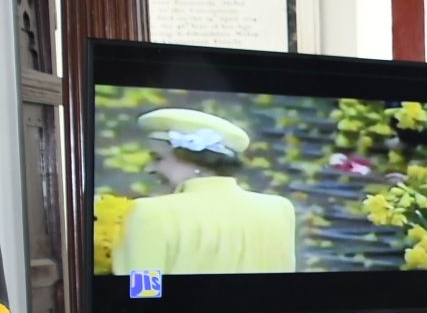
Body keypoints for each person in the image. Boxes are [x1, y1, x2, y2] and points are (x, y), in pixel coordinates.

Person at [109, 107, 297, 275]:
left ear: (197, 162)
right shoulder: (279, 209)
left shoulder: (149, 212)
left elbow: (143, 294)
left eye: (158, 158)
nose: (149, 168)